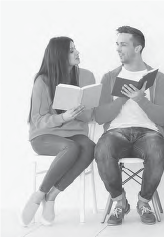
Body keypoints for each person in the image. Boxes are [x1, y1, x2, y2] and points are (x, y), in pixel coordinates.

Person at [94, 26, 164, 226]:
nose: (118, 49)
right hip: (116, 132)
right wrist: (120, 99)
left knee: (157, 149)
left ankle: (144, 202)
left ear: (138, 48)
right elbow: (100, 116)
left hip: (148, 133)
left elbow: (163, 118)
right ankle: (120, 202)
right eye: (117, 44)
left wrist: (140, 99)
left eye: (123, 45)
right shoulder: (109, 78)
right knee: (102, 150)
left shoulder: (158, 78)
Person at [22, 37, 96, 226]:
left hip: (75, 133)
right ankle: (39, 195)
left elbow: (88, 117)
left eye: (75, 48)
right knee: (70, 148)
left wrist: (78, 111)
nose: (77, 52)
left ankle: (51, 196)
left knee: (89, 147)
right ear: (59, 55)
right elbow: (38, 120)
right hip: (44, 135)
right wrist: (63, 117)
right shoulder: (43, 80)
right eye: (71, 50)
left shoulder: (86, 76)